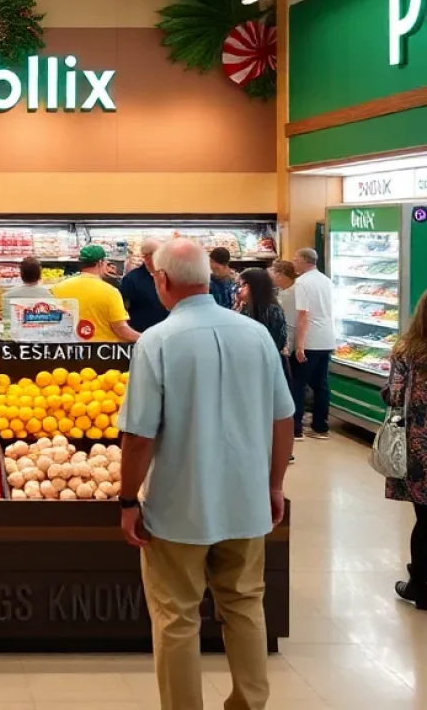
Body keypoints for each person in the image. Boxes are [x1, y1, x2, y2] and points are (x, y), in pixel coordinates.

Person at [119, 239, 294, 710]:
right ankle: (250, 704)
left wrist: (127, 500)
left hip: (179, 505)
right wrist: (274, 484)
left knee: (176, 616)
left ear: (162, 280)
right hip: (245, 498)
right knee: (244, 605)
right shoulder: (256, 335)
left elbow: (138, 436)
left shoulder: (156, 340)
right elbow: (283, 418)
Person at [383, 293, 427, 610]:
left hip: (418, 445)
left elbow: (395, 396)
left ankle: (420, 586)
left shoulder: (406, 350)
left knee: (424, 519)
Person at [51, 244, 140, 343]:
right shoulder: (110, 292)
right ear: (100, 263)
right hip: (103, 351)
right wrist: (145, 338)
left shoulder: (58, 288)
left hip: (69, 350)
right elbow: (121, 330)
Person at [291, 247, 335, 441]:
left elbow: (303, 315)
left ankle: (296, 429)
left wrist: (299, 345)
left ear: (305, 261)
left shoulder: (301, 283)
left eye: (296, 259)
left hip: (310, 340)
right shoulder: (327, 281)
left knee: (298, 385)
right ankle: (320, 427)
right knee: (321, 385)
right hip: (327, 338)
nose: (294, 263)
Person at [119, 238, 169, 333]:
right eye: (160, 254)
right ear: (147, 257)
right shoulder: (131, 280)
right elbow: (122, 311)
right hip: (142, 336)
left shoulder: (169, 276)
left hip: (168, 335)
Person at [237, 268, 288, 354]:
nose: (239, 290)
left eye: (243, 286)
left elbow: (277, 342)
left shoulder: (273, 311)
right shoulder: (243, 308)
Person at [1, 255, 53, 324]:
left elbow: (6, 322)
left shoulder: (6, 296)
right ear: (40, 274)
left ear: (21, 275)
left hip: (16, 332)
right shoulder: (49, 296)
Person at [269, 259, 298, 357]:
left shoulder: (290, 294)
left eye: (272, 272)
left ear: (280, 275)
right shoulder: (284, 289)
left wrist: (287, 349)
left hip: (293, 346)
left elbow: (290, 324)